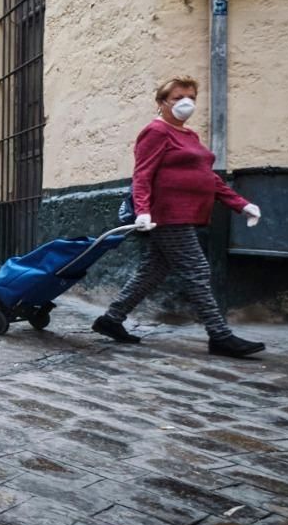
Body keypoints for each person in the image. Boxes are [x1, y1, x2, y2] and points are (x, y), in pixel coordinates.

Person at [93, 76, 265, 358]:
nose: (187, 103)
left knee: (152, 271)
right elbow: (143, 175)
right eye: (178, 98)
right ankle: (219, 336)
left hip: (185, 215)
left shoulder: (189, 136)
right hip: (166, 215)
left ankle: (111, 320)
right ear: (162, 103)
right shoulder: (156, 132)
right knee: (197, 271)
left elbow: (208, 179)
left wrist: (241, 204)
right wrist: (144, 209)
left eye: (192, 97)